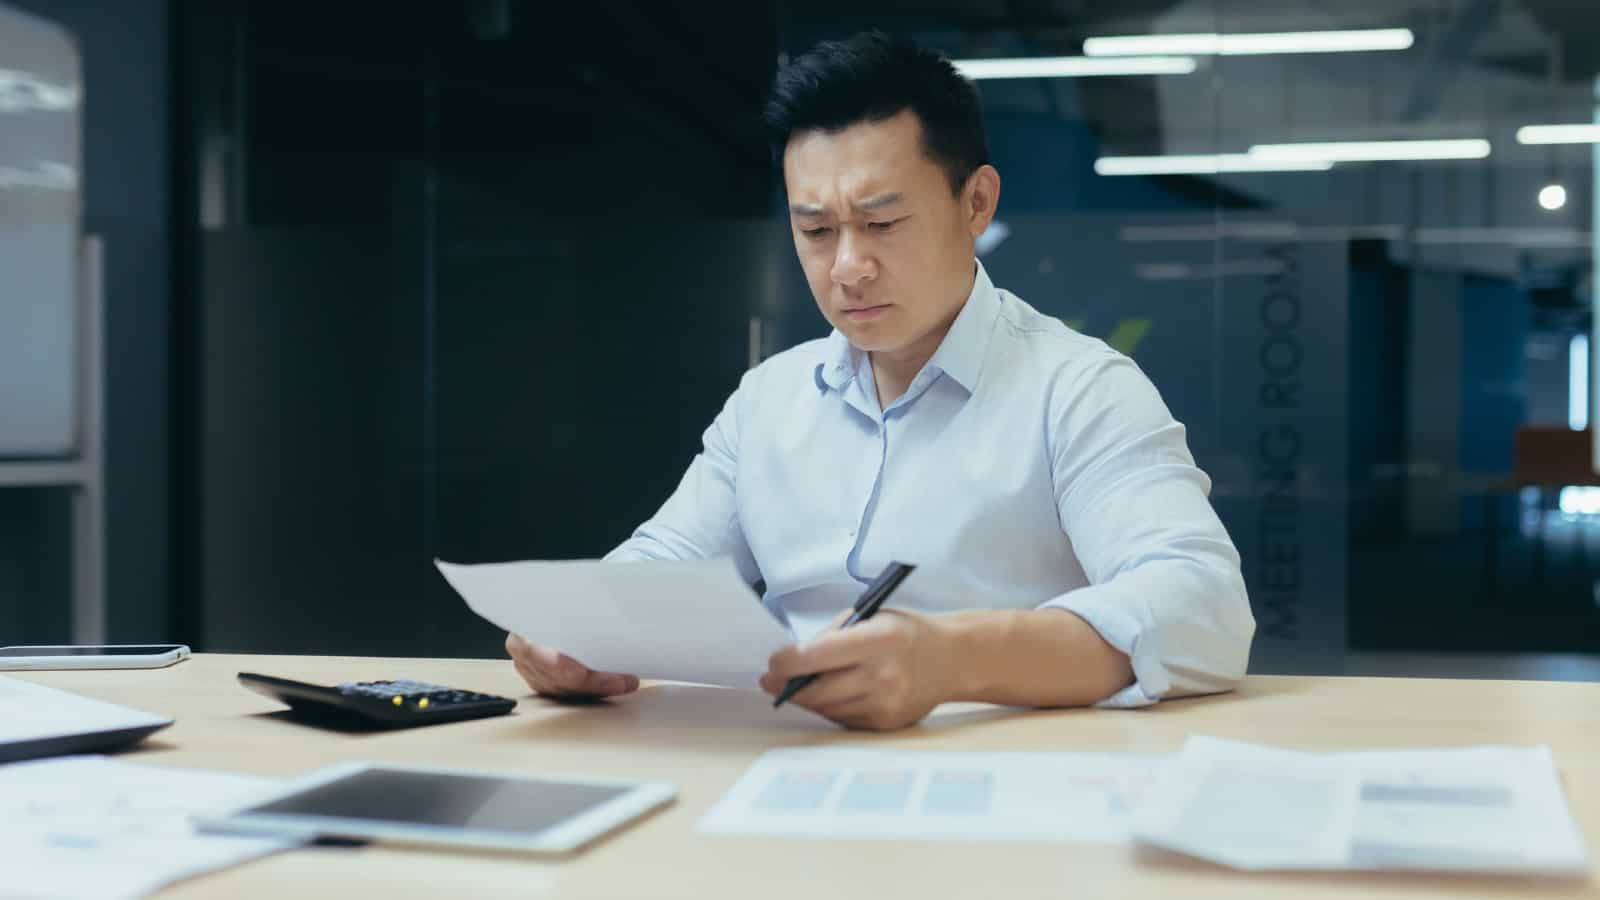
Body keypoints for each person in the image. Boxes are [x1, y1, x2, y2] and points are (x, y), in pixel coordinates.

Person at [506, 31, 1254, 730]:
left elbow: (1203, 605)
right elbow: (665, 559)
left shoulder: (1078, 388)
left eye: (884, 223)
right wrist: (580, 629)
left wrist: (951, 660)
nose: (847, 268)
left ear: (977, 203)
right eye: (817, 231)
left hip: (1001, 774)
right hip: (777, 762)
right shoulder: (769, 399)